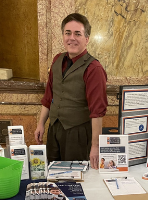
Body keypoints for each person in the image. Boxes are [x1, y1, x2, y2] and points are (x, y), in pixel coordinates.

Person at [33, 13, 107, 168]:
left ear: (86, 39)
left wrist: (95, 146)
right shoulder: (57, 60)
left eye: (77, 34)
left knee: (76, 178)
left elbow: (97, 112)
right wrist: (41, 124)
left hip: (78, 134)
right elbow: (49, 96)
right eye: (68, 33)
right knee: (53, 172)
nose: (71, 38)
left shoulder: (94, 69)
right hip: (54, 129)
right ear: (63, 36)